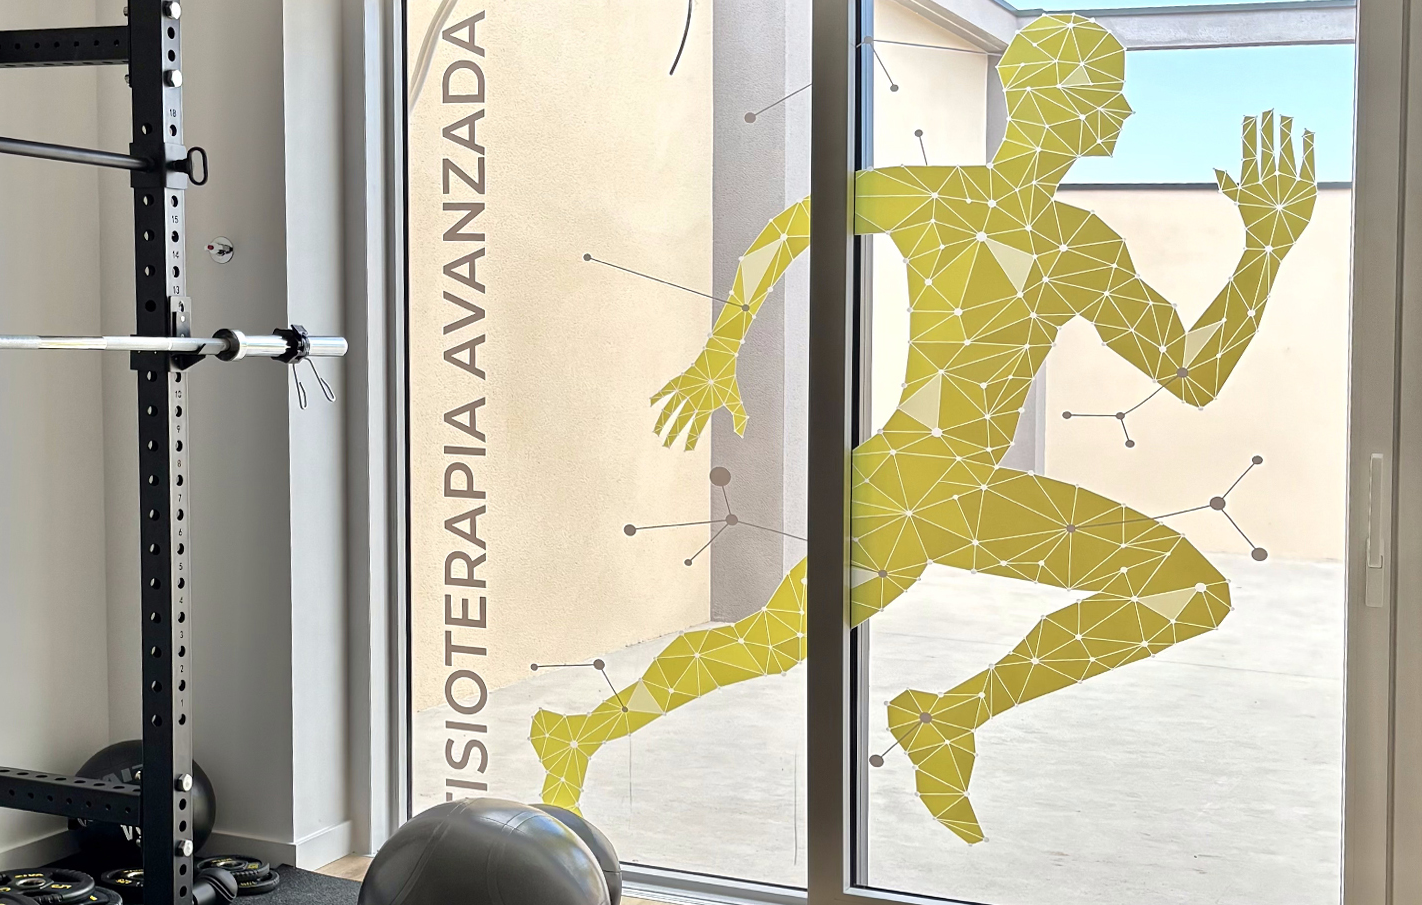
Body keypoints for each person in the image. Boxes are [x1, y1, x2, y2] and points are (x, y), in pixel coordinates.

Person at [531, 14, 1316, 843]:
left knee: (1180, 589)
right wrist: (719, 350)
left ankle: (933, 721)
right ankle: (933, 721)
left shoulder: (1079, 245)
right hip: (914, 481)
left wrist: (1265, 248)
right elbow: (795, 225)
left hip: (950, 488)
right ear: (1052, 97)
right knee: (774, 644)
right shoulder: (948, 202)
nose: (1121, 113)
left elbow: (1191, 376)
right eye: (1106, 94)